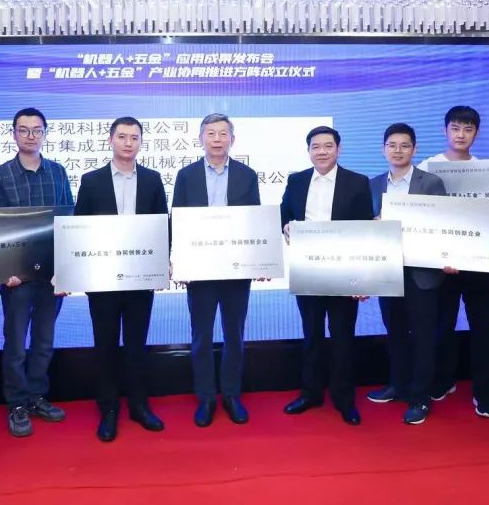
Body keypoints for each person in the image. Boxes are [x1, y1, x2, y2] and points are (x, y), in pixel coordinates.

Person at [74, 117, 170, 442]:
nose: (128, 143)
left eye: (134, 137)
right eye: (122, 137)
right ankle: (109, 409)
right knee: (105, 345)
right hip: (103, 279)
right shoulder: (91, 181)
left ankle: (139, 406)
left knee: (136, 344)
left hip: (140, 277)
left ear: (141, 142)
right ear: (110, 140)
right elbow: (79, 228)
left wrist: (162, 263)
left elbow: (162, 225)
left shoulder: (153, 179)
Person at [0, 107, 73, 437]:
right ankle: (17, 403)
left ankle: (36, 396)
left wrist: (66, 270)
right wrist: (5, 270)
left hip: (52, 276)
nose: (30, 136)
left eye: (37, 130)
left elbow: (67, 221)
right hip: (16, 278)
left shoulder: (58, 172)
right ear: (14, 134)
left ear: (45, 134)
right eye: (24, 130)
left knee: (44, 341)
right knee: (16, 343)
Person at [280, 125, 374, 426]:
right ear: (308, 151)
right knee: (312, 335)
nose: (321, 151)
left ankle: (344, 399)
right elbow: (284, 214)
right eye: (316, 147)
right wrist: (285, 226)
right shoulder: (296, 180)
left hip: (344, 271)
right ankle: (311, 394)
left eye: (328, 146)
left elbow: (366, 231)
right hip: (307, 269)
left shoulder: (357, 182)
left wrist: (364, 276)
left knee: (343, 336)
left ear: (339, 149)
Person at [172, 113, 261, 427]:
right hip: (200, 269)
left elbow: (254, 221)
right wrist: (179, 260)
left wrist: (259, 259)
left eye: (223, 133)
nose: (217, 139)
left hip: (236, 268)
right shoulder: (186, 175)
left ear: (232, 139)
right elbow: (177, 219)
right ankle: (206, 397)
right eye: (211, 133)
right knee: (202, 335)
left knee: (234, 334)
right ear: (201, 139)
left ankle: (232, 395)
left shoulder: (247, 175)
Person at [368, 123, 453, 425]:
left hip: (422, 272)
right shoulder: (374, 184)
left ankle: (420, 397)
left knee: (423, 336)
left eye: (404, 145)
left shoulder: (431, 183)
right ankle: (398, 384)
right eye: (392, 145)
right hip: (389, 271)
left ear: (414, 149)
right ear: (383, 149)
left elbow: (442, 224)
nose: (398, 151)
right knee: (395, 333)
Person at [418, 106, 489, 418]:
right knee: (442, 327)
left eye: (468, 129)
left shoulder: (486, 170)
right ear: (445, 131)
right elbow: (420, 213)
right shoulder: (428, 167)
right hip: (441, 263)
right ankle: (444, 379)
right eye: (455, 128)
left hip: (479, 261)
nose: (461, 135)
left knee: (483, 329)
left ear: (476, 133)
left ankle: (483, 391)